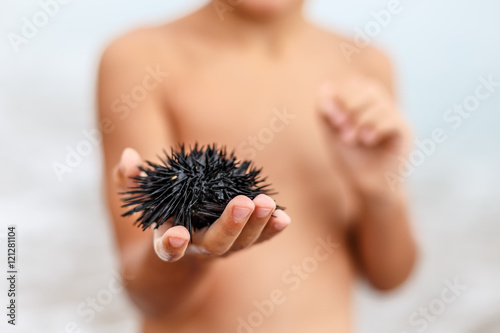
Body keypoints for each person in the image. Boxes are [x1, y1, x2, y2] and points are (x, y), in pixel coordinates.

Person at [97, 1, 417, 332]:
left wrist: (381, 193)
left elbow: (389, 277)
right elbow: (144, 292)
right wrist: (191, 254)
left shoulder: (367, 66)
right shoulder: (140, 58)